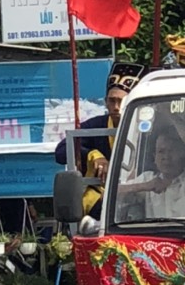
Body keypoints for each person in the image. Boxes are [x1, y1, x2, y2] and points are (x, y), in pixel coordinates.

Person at [55, 61, 146, 215]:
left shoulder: (148, 126)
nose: (116, 107)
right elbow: (61, 152)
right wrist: (93, 155)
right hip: (102, 202)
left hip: (143, 195)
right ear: (105, 102)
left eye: (122, 101)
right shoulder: (96, 125)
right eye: (112, 101)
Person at [116, 120, 185, 219]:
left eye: (171, 151)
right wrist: (144, 186)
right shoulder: (148, 178)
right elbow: (112, 194)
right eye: (161, 151)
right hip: (157, 234)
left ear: (184, 153)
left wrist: (169, 113)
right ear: (154, 157)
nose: (166, 157)